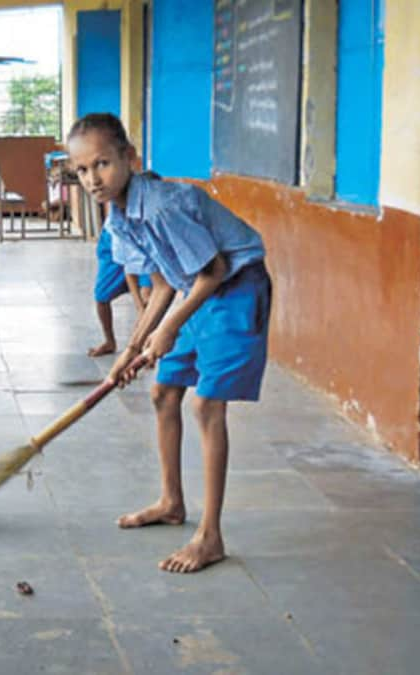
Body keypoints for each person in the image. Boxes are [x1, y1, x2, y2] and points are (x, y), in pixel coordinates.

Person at [67, 113, 271, 574]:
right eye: (80, 170)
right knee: (162, 391)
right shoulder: (118, 219)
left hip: (236, 288)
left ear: (129, 158)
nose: (92, 179)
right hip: (194, 288)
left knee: (206, 406)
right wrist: (130, 350)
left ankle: (211, 536)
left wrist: (169, 329)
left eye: (101, 164)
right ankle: (171, 501)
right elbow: (160, 287)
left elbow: (215, 270)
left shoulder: (160, 204)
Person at [87, 170, 160, 357]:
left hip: (143, 248)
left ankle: (141, 344)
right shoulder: (119, 225)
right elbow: (130, 269)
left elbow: (160, 282)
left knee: (148, 295)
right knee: (101, 297)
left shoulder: (157, 219)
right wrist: (139, 308)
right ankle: (110, 341)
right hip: (112, 247)